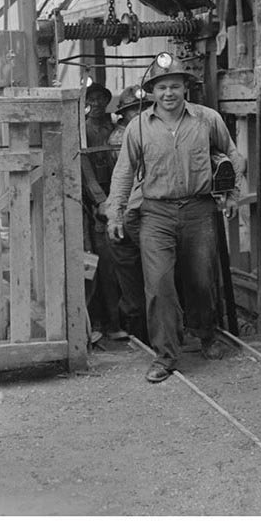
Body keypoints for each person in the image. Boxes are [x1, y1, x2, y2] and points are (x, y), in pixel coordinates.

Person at [107, 56, 245, 383]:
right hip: (155, 212)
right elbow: (124, 171)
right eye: (162, 87)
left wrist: (233, 194)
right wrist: (116, 211)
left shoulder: (206, 119)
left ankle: (206, 334)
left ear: (186, 87)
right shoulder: (139, 126)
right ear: (152, 91)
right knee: (158, 284)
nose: (169, 93)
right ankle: (165, 355)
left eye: (175, 86)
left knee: (200, 278)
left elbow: (234, 156)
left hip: (199, 210)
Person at [81, 80, 126, 340]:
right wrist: (100, 201)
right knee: (102, 265)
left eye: (100, 98)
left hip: (124, 195)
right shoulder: (83, 129)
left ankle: (128, 320)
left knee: (127, 264)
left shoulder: (116, 127)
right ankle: (104, 321)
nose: (96, 103)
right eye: (91, 98)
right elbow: (86, 170)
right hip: (97, 204)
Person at [106, 85, 149, 343]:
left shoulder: (146, 131)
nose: (141, 113)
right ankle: (135, 328)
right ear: (125, 113)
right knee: (132, 275)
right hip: (128, 210)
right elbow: (124, 177)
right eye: (136, 109)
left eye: (144, 108)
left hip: (145, 210)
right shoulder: (120, 138)